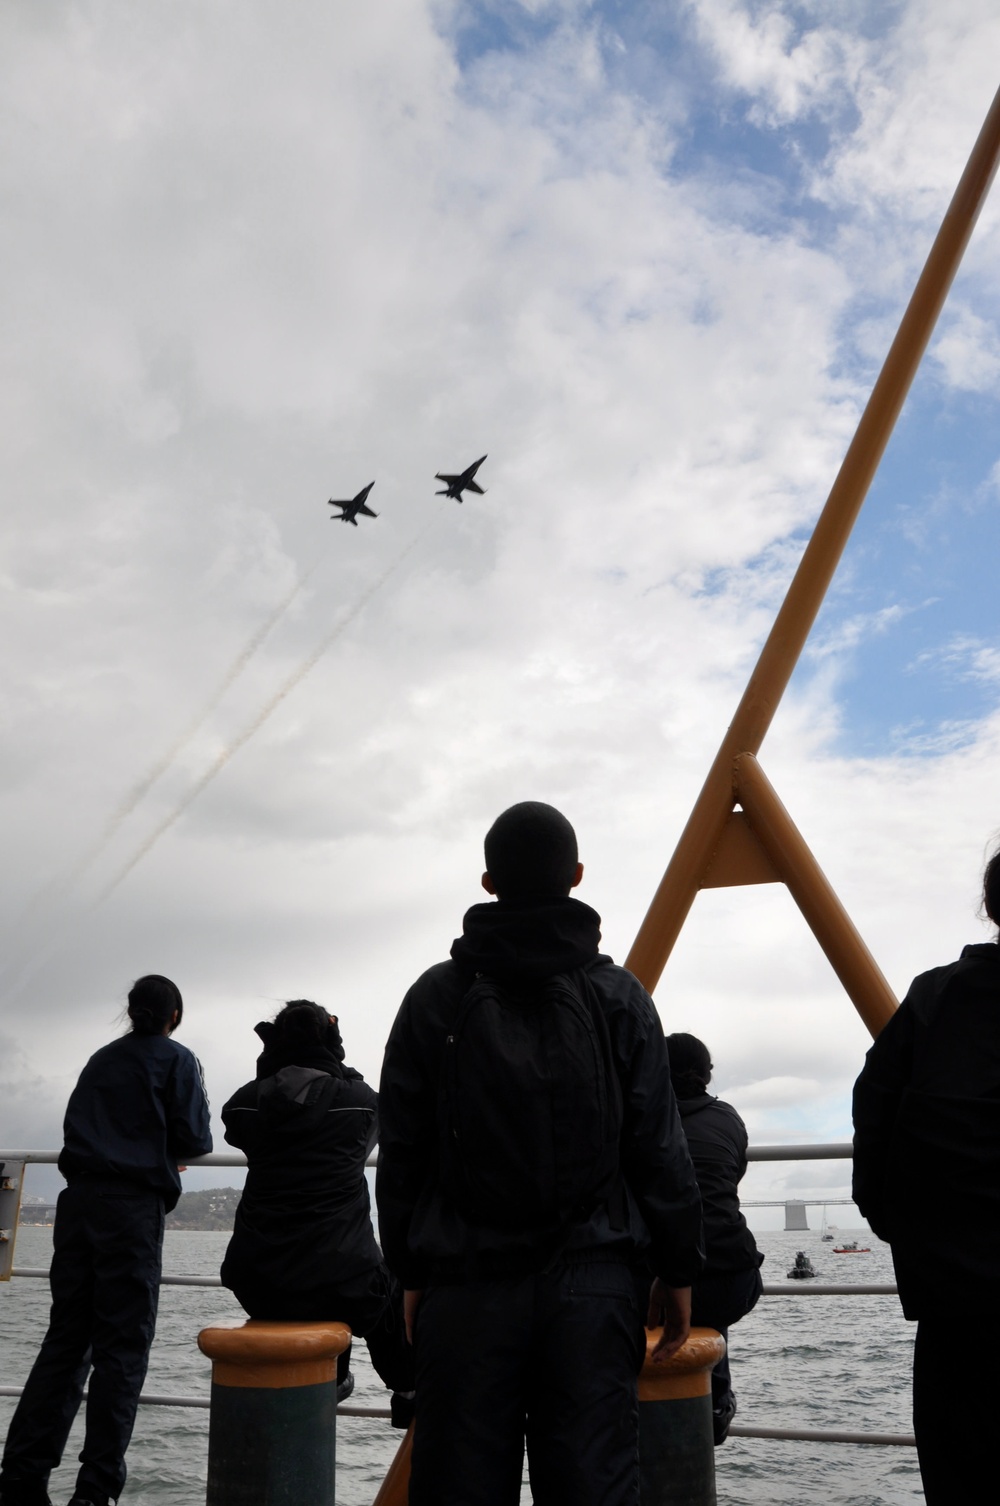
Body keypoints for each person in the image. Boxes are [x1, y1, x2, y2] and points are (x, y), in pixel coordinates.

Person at [376, 801, 704, 1506]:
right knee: (594, 1484)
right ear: (577, 876)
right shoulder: (618, 996)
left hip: (463, 1285)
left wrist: (408, 1268)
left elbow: (401, 1148)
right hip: (593, 1280)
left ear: (488, 881)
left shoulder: (434, 996)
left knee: (458, 1487)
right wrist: (677, 1269)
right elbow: (658, 1146)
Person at [0, 975, 212, 1506]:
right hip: (131, 1211)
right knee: (122, 1350)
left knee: (66, 1342)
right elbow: (194, 1137)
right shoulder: (177, 1059)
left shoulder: (101, 1059)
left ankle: (21, 1478)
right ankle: (95, 1492)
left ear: (131, 1011)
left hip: (78, 1207)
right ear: (174, 1016)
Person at [852, 842, 1000, 1504]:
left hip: (953, 1301)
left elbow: (874, 1113)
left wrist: (905, 1228)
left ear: (990, 907)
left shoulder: (935, 999)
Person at [219, 1001, 414, 1423]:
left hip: (258, 1279)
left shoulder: (245, 1105)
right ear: (330, 1039)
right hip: (340, 1278)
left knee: (327, 1284)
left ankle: (336, 1376)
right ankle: (408, 1389)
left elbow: (236, 1124)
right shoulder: (360, 1103)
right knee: (387, 1283)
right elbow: (375, 1125)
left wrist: (273, 1068)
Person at [665, 1033, 763, 1444]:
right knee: (708, 1297)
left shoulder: (641, 1117)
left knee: (679, 1281)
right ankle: (716, 1402)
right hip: (738, 1275)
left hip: (666, 1281)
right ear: (707, 1074)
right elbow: (731, 1176)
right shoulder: (728, 1118)